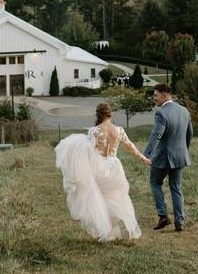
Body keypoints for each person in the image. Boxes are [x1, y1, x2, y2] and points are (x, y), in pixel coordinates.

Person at [55, 102, 152, 241]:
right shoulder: (119, 130)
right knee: (116, 197)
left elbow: (89, 151)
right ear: (110, 114)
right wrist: (143, 158)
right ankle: (117, 224)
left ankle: (107, 231)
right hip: (114, 166)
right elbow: (130, 146)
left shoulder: (94, 131)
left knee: (99, 199)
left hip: (98, 166)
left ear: (98, 114)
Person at [143, 83, 192, 232]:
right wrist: (184, 150)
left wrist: (146, 154)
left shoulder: (161, 113)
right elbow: (189, 133)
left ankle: (163, 216)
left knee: (155, 182)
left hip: (163, 157)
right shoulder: (184, 111)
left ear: (165, 95)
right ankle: (180, 222)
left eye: (156, 95)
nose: (154, 98)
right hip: (180, 156)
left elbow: (156, 135)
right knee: (176, 188)